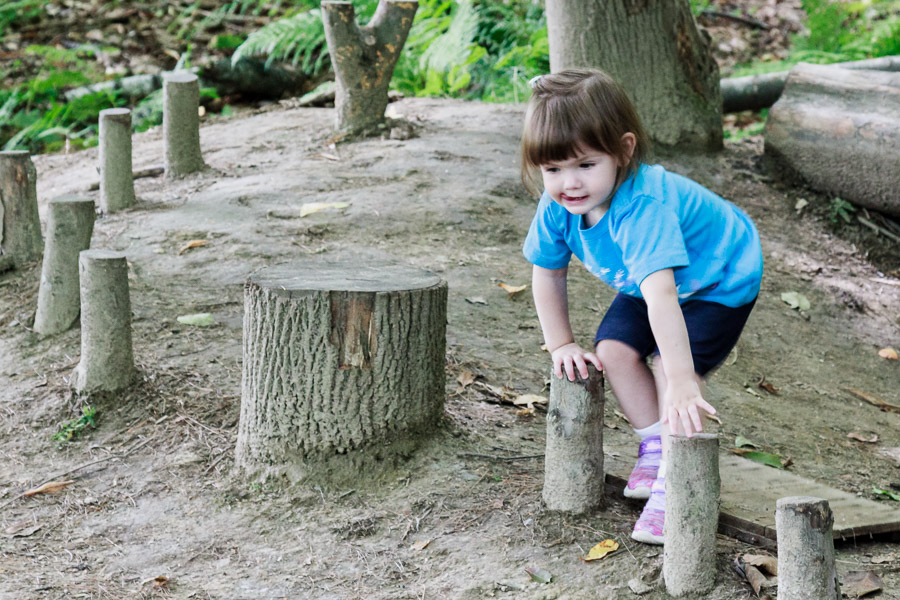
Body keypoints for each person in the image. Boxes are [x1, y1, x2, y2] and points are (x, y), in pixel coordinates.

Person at [521, 69, 763, 545]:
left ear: (624, 151)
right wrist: (561, 343)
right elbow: (547, 271)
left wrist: (682, 381)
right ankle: (655, 444)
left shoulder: (643, 208)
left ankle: (678, 481)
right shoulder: (558, 207)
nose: (568, 183)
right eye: (552, 170)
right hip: (650, 278)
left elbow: (663, 298)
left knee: (668, 374)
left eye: (586, 165)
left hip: (719, 276)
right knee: (612, 350)